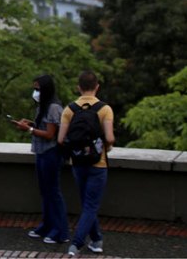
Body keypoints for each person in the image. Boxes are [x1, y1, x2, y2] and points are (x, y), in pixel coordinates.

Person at [58, 70, 115, 257]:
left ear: (78, 87)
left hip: (78, 162)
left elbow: (60, 139)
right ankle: (76, 244)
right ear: (97, 87)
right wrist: (105, 146)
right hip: (98, 164)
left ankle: (97, 240)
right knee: (91, 205)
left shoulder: (69, 109)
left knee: (87, 204)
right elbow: (109, 137)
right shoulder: (105, 109)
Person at [12, 74, 70, 245]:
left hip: (51, 153)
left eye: (37, 89)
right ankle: (47, 225)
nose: (35, 92)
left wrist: (28, 129)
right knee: (45, 191)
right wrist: (29, 123)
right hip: (42, 152)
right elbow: (44, 126)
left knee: (53, 192)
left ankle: (61, 231)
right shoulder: (42, 106)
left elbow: (50, 134)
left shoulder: (53, 107)